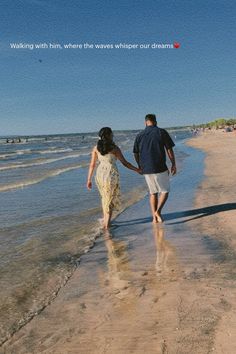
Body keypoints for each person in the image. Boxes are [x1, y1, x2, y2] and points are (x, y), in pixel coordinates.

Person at [87, 127, 141, 229]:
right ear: (109, 135)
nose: (113, 135)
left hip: (99, 174)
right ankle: (107, 225)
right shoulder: (115, 148)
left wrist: (89, 179)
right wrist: (137, 169)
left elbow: (92, 165)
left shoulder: (96, 148)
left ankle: (105, 220)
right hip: (110, 174)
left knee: (104, 198)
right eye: (112, 134)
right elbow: (125, 163)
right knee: (110, 199)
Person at [133, 114, 176, 223]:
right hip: (160, 166)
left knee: (153, 193)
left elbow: (135, 153)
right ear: (155, 122)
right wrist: (173, 164)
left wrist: (139, 165)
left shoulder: (139, 135)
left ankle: (154, 217)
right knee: (165, 191)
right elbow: (169, 150)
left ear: (145, 122)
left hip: (146, 168)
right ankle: (158, 212)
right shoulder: (161, 132)